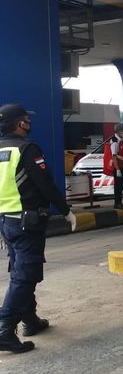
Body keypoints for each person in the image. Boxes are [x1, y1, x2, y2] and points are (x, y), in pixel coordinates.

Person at [0, 104, 76, 353]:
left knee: (22, 270)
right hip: (26, 222)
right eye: (25, 119)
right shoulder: (27, 149)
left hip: (6, 221)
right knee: (25, 274)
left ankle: (30, 321)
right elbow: (45, 183)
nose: (28, 122)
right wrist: (65, 210)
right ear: (19, 123)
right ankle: (4, 329)